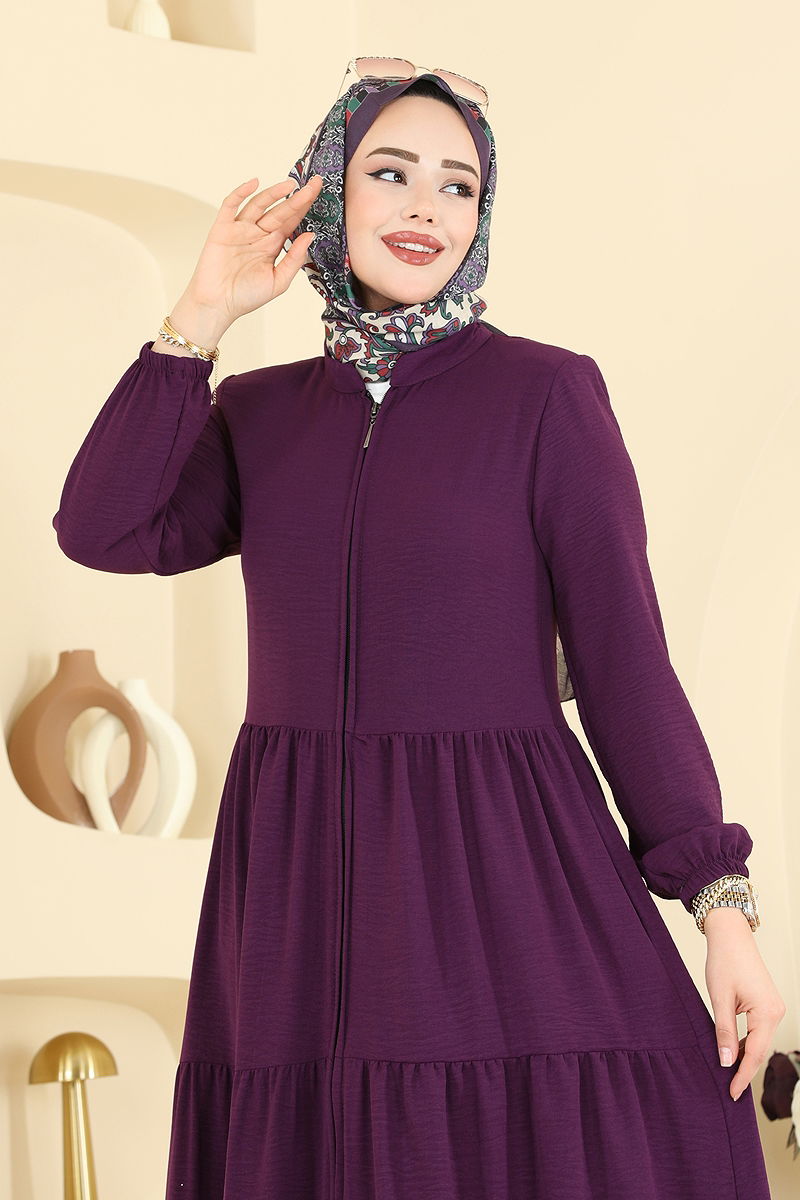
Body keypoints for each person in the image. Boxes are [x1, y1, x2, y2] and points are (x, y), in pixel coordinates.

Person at [52, 65, 784, 1199]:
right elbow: (102, 527)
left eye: (458, 186)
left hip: (504, 859)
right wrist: (201, 314)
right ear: (326, 193)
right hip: (299, 875)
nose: (426, 209)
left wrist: (719, 907)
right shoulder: (258, 413)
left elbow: (625, 660)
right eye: (389, 173)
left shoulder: (545, 397)